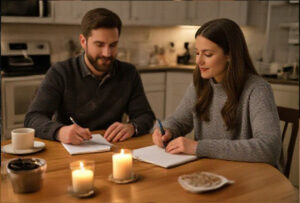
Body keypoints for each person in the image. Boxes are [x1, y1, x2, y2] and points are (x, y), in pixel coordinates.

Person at [152, 18, 281, 167]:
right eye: (197, 53)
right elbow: (179, 121)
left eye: (207, 54)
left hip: (251, 177)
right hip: (211, 171)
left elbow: (269, 148)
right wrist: (166, 130)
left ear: (229, 55)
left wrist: (198, 147)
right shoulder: (200, 84)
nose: (199, 62)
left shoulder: (257, 89)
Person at [25, 8, 155, 144]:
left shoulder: (129, 73)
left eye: (113, 45)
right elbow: (33, 118)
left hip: (111, 149)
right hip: (69, 151)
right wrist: (59, 131)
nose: (107, 53)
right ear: (83, 41)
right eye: (99, 45)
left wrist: (132, 127)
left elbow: (145, 116)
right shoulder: (60, 72)